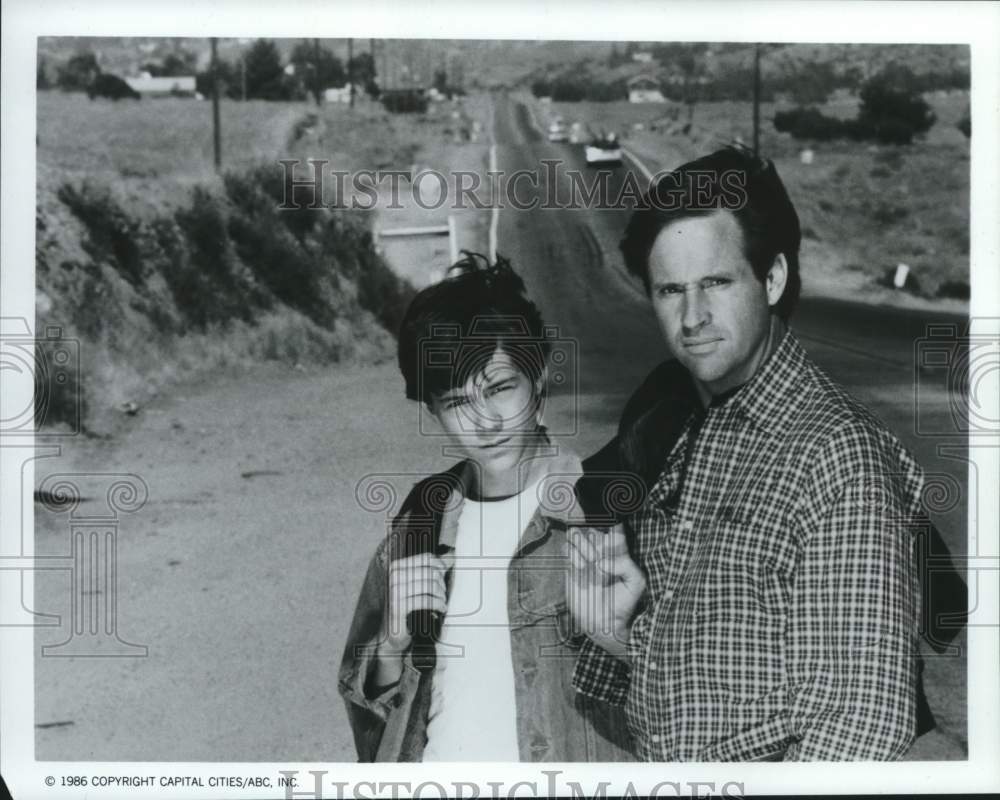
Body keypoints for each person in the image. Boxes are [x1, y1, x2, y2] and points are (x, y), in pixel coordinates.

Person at [567, 146, 946, 761]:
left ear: (772, 279)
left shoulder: (835, 454)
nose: (692, 317)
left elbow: (859, 727)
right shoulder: (671, 429)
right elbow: (702, 690)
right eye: (670, 290)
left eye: (716, 282)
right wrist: (615, 633)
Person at [338, 253, 635, 762]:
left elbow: (684, 704)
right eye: (457, 403)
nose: (485, 422)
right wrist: (390, 649)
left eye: (499, 390)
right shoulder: (420, 524)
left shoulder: (606, 515)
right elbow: (373, 721)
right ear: (433, 410)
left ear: (537, 374)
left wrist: (619, 638)